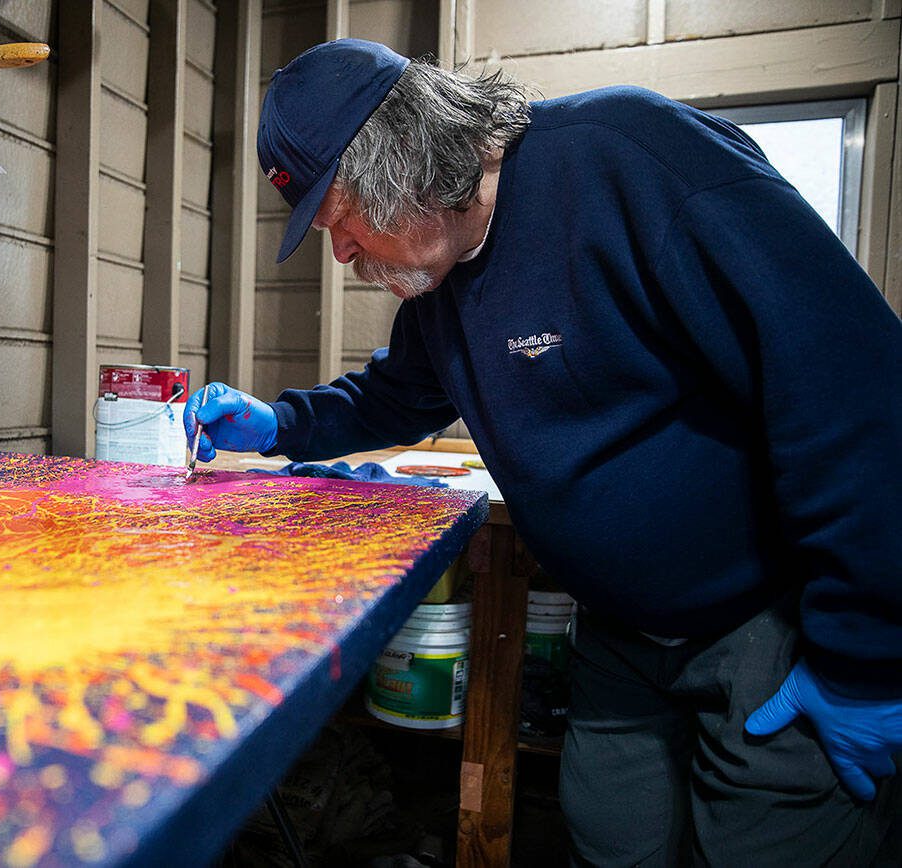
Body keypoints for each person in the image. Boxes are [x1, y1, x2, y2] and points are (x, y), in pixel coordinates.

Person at [184, 38, 902, 865]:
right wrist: (278, 426)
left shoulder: (629, 157)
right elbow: (394, 397)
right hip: (622, 640)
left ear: (402, 167)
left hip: (768, 630)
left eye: (339, 220)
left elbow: (852, 387)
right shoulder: (441, 280)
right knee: (607, 841)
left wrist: (866, 656)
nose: (340, 253)